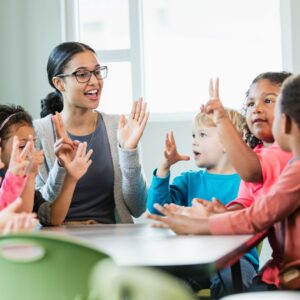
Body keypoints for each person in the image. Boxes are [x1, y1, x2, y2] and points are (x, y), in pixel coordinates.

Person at [146, 73, 300, 291]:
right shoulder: (279, 159)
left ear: (284, 121)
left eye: (269, 101)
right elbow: (250, 206)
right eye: (250, 103)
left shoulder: (289, 164)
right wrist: (222, 213)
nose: (256, 108)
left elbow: (259, 214)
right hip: (280, 268)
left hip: (287, 272)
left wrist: (202, 224)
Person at [34, 42, 149, 224]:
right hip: (62, 242)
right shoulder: (38, 133)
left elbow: (138, 207)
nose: (94, 81)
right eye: (82, 74)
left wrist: (129, 152)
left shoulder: (116, 127)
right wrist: (61, 167)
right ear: (59, 83)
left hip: (114, 240)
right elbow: (39, 212)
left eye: (97, 72)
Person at [147, 110, 259, 296]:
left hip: (237, 260)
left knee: (232, 284)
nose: (194, 141)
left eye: (202, 135)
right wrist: (164, 167)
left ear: (227, 142)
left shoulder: (247, 183)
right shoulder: (188, 180)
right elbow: (157, 211)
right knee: (162, 283)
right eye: (193, 135)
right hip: (191, 257)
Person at [0, 104, 93, 225]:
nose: (30, 152)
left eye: (33, 144)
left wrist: (71, 178)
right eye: (22, 146)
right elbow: (17, 222)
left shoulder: (23, 178)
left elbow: (52, 218)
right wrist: (30, 176)